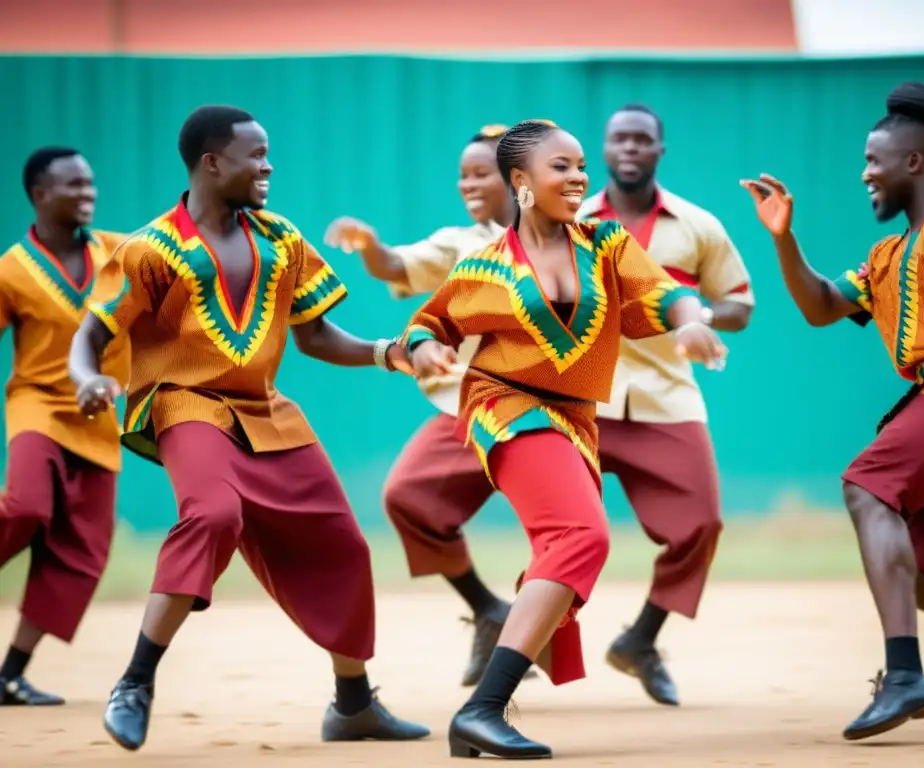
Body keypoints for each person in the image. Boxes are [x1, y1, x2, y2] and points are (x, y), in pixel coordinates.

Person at [67, 105, 429, 751]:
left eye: (268, 154)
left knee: (343, 545)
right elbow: (91, 334)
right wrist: (87, 378)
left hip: (267, 410)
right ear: (212, 163)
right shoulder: (150, 249)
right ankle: (135, 683)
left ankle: (353, 705)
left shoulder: (281, 238)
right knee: (211, 516)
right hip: (186, 403)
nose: (268, 166)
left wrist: (384, 351)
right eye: (255, 155)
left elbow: (314, 333)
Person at [402, 119, 727, 759]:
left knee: (572, 543)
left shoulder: (606, 245)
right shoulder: (484, 267)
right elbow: (426, 323)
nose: (580, 177)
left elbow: (666, 297)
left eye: (581, 165)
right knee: (581, 535)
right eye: (562, 166)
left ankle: (486, 701)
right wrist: (422, 352)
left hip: (576, 419)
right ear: (520, 182)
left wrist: (691, 324)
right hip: (505, 406)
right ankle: (482, 710)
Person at [741, 81, 924, 741]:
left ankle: (904, 675)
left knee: (867, 488)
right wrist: (784, 238)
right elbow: (819, 306)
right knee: (922, 577)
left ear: (914, 163)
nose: (865, 174)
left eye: (874, 161)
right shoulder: (888, 253)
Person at [322, 125, 530, 688]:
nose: (468, 183)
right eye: (462, 174)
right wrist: (370, 246)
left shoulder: (563, 240)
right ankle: (491, 610)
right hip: (474, 406)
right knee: (409, 498)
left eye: (480, 172)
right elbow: (395, 266)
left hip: (546, 410)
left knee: (561, 531)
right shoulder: (458, 244)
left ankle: (537, 637)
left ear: (517, 179)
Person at [576, 104, 755, 706]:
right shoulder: (568, 219)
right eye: (619, 138)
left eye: (642, 139)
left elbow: (739, 303)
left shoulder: (697, 225)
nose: (630, 147)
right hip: (581, 399)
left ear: (660, 149)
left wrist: (697, 315)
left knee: (700, 525)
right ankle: (526, 641)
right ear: (603, 149)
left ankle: (641, 641)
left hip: (667, 396)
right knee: (564, 531)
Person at [0, 147, 130, 706]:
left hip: (100, 416)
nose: (87, 194)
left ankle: (10, 674)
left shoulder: (120, 253)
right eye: (73, 185)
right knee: (27, 508)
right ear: (38, 194)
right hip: (39, 406)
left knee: (80, 552)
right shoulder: (11, 270)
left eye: (91, 184)